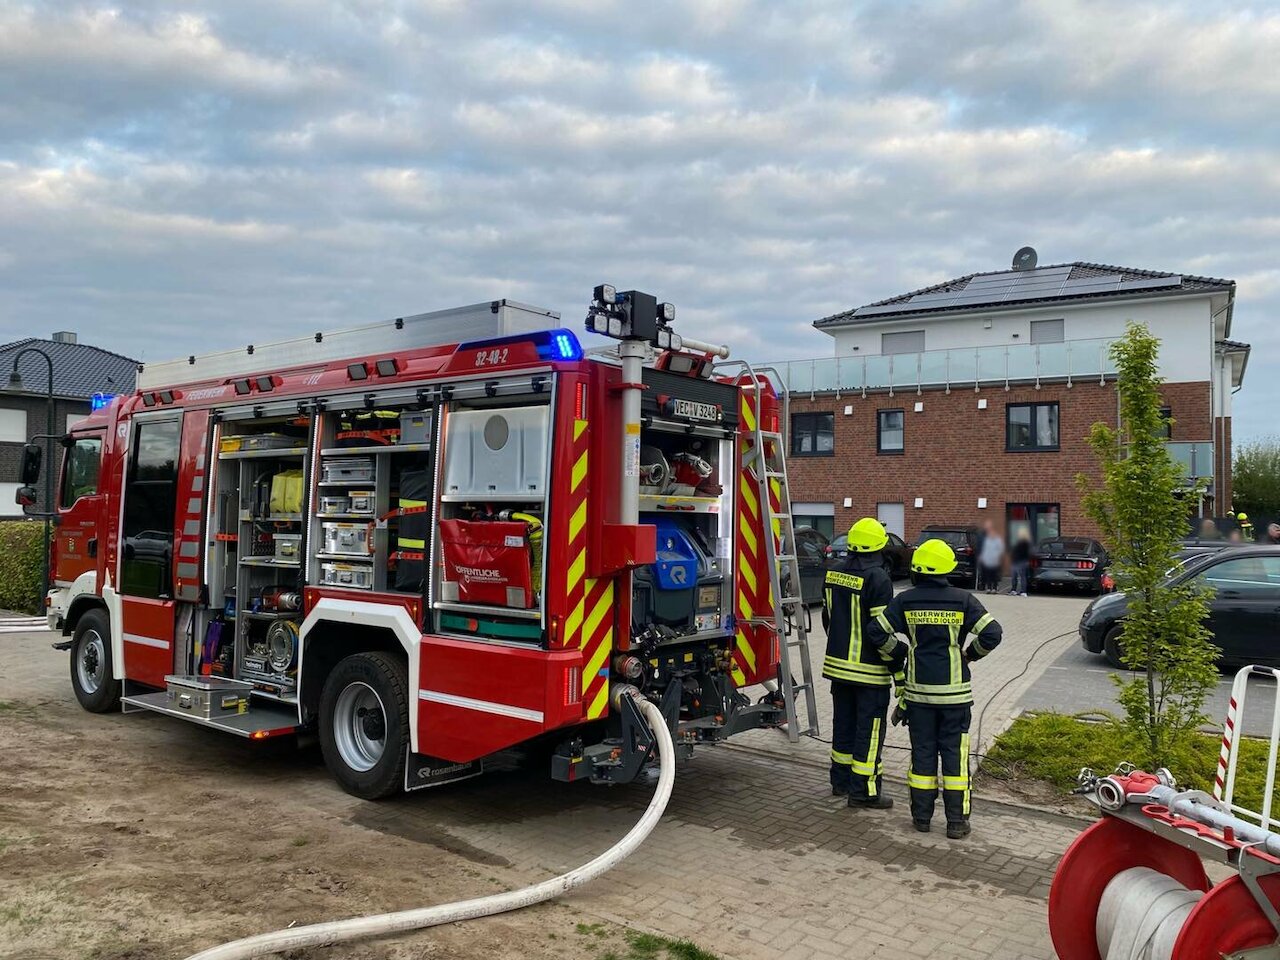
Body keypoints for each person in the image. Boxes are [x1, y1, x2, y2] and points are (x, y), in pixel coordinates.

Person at [867, 539, 1003, 839]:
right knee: (955, 758)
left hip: (919, 697)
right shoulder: (963, 600)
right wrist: (970, 655)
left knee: (923, 754)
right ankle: (956, 822)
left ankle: (921, 818)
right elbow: (993, 633)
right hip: (955, 698)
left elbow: (876, 631)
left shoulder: (906, 600)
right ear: (947, 569)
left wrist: (900, 651)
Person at [821, 517, 899, 810]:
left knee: (843, 726)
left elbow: (827, 618)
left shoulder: (833, 572)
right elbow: (880, 632)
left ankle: (840, 782)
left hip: (838, 668)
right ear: (879, 545)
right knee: (869, 732)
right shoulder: (878, 578)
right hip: (869, 673)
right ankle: (864, 792)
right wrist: (898, 661)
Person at [977, 521, 1003, 594]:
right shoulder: (987, 540)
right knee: (988, 574)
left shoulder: (997, 540)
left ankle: (994, 588)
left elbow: (1000, 549)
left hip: (995, 560)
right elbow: (985, 549)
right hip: (988, 559)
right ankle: (988, 588)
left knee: (994, 575)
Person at [1009, 529, 1031, 596]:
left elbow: (1024, 553)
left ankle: (1023, 591)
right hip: (1015, 561)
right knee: (1014, 576)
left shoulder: (1025, 543)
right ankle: (1013, 590)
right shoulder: (1018, 542)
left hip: (1021, 561)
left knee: (1022, 576)